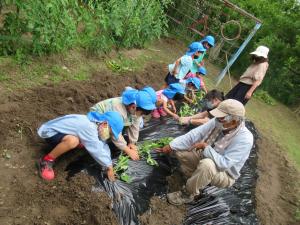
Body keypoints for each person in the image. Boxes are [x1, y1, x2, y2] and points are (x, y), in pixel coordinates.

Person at [157, 99, 253, 205]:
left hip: (225, 174)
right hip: (205, 157)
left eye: (221, 118)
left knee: (207, 165)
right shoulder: (219, 122)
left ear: (233, 121)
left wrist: (205, 147)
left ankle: (188, 194)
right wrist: (171, 146)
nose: (217, 119)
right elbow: (194, 135)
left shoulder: (244, 139)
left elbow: (224, 164)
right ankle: (194, 177)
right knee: (179, 150)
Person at [37, 111, 124, 181]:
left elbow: (102, 144)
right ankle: (46, 160)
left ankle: (62, 146)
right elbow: (96, 149)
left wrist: (109, 163)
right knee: (73, 141)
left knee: (83, 141)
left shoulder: (97, 124)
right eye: (110, 132)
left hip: (61, 131)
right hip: (49, 132)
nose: (108, 135)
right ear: (105, 124)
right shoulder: (89, 127)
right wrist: (108, 167)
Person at [90, 86, 157, 160]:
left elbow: (135, 125)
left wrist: (132, 142)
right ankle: (96, 141)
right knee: (104, 135)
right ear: (133, 107)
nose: (141, 116)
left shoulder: (134, 107)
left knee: (135, 122)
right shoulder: (119, 110)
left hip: (114, 119)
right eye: (141, 113)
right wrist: (127, 150)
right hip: (98, 118)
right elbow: (116, 133)